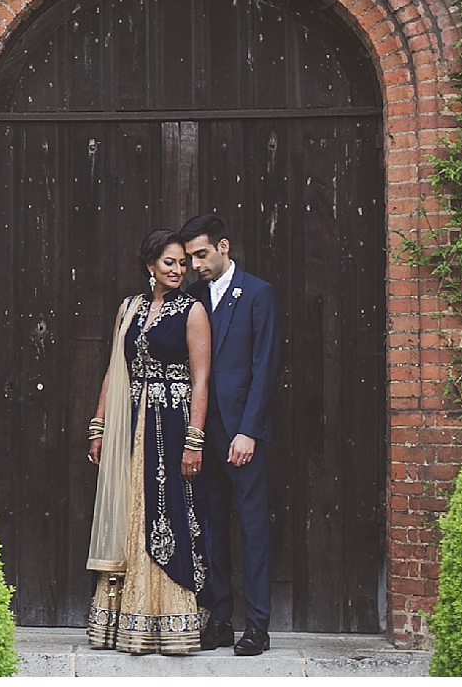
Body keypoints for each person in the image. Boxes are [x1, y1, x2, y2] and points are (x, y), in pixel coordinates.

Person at [85, 229, 212, 655]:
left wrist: (194, 440)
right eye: (169, 263)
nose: (178, 270)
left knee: (167, 509)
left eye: (182, 264)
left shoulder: (192, 311)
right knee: (128, 509)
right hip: (130, 421)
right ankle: (123, 620)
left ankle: (169, 618)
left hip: (172, 424)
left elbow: (201, 379)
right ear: (150, 266)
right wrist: (99, 424)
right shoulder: (128, 308)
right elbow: (113, 368)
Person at [178, 213, 280, 657]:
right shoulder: (194, 298)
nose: (195, 264)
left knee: (253, 527)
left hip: (241, 434)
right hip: (205, 432)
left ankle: (257, 625)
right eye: (189, 258)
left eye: (201, 255)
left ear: (224, 246)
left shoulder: (258, 293)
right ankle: (219, 619)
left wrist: (249, 431)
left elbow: (265, 367)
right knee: (212, 528)